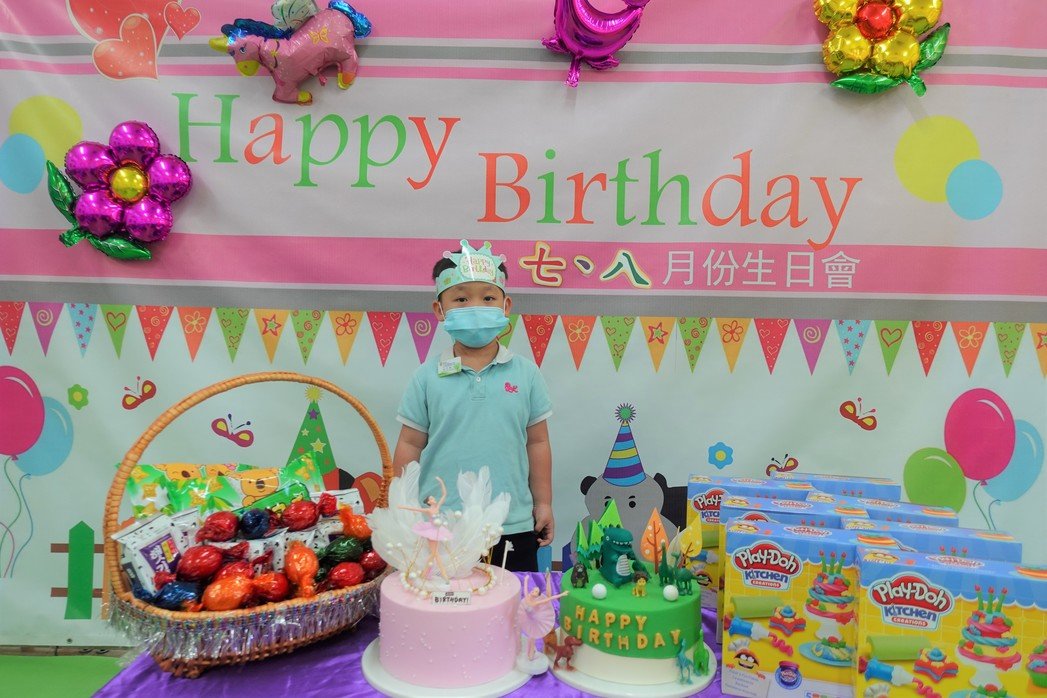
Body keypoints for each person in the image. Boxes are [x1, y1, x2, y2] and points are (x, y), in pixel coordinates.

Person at [392, 240, 553, 572]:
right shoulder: (426, 377)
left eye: (488, 298)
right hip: (439, 524)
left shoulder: (526, 373)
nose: (475, 306)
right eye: (461, 299)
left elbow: (537, 441)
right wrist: (401, 508)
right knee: (439, 600)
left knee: (513, 600)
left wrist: (544, 503)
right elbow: (409, 444)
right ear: (440, 310)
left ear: (506, 306)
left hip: (511, 524)